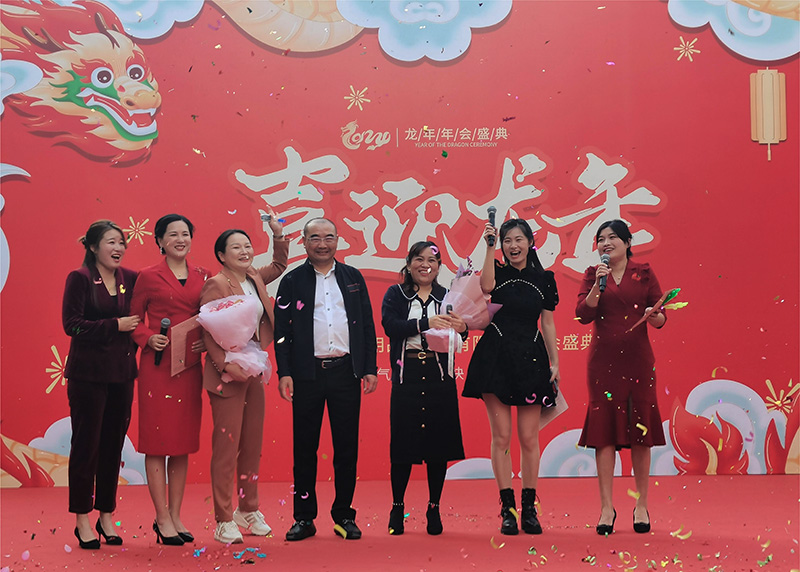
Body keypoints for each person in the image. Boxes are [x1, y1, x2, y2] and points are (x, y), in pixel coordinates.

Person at [274, 218, 378, 542]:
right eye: (315, 238)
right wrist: (284, 372)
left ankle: (344, 514)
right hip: (307, 374)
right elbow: (282, 332)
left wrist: (369, 367)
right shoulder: (292, 281)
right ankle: (304, 518)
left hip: (346, 372)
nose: (322, 244)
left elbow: (367, 325)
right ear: (304, 242)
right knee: (305, 448)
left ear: (337, 240)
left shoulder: (353, 277)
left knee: (346, 448)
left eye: (328, 237)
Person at [462, 218, 560, 536]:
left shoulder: (544, 279)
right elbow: (486, 287)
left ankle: (529, 508)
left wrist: (555, 361)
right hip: (496, 358)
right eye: (507, 241)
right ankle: (508, 509)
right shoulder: (497, 271)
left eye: (519, 239)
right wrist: (488, 246)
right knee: (501, 437)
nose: (513, 246)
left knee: (529, 438)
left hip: (531, 360)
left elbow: (547, 323)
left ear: (530, 242)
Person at [200, 215, 288, 544]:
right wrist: (224, 363)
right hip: (227, 374)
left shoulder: (253, 276)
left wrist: (277, 234)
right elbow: (207, 329)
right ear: (221, 255)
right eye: (236, 247)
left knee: (251, 444)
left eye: (247, 246)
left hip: (253, 367)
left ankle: (247, 508)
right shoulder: (217, 284)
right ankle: (223, 518)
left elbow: (279, 265)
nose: (244, 251)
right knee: (227, 447)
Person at [575, 219, 667, 535]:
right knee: (603, 435)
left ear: (627, 243)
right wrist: (596, 289)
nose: (606, 243)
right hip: (603, 365)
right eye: (601, 239)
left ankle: (641, 505)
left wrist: (655, 315)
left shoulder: (644, 273)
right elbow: (583, 314)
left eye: (613, 237)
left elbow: (661, 318)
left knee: (641, 432)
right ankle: (606, 507)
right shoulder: (593, 274)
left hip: (638, 363)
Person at [130, 214, 209, 546]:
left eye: (185, 234)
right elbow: (134, 320)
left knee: (181, 444)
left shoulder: (204, 275)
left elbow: (213, 316)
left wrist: (208, 339)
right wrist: (148, 338)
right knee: (157, 443)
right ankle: (161, 517)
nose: (180, 239)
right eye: (172, 234)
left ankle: (176, 515)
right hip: (158, 367)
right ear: (160, 241)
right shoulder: (148, 276)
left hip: (189, 368)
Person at [62, 220, 140, 549]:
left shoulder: (131, 279)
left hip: (122, 375)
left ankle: (106, 515)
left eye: (121, 242)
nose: (118, 248)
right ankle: (82, 519)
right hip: (87, 376)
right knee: (86, 446)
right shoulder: (80, 279)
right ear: (93, 247)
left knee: (113, 447)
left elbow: (143, 318)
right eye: (111, 242)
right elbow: (72, 325)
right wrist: (114, 325)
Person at [381, 241, 466, 536]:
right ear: (409, 264)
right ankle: (397, 506)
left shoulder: (448, 296)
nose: (425, 264)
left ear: (439, 266)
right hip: (408, 374)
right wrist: (425, 322)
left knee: (438, 445)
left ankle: (434, 507)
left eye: (432, 260)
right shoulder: (396, 294)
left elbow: (462, 334)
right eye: (419, 259)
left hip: (439, 374)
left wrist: (462, 328)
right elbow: (391, 326)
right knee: (403, 444)